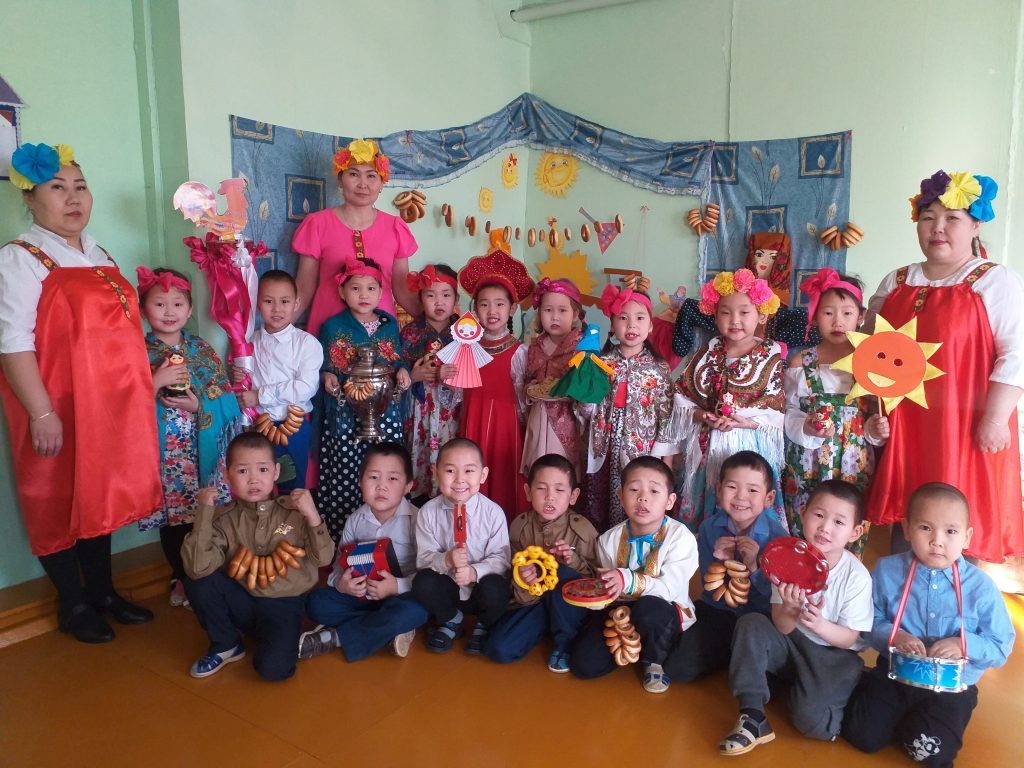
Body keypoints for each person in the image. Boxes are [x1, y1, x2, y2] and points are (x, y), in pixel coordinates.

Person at [0, 142, 161, 643]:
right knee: (53, 498)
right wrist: (41, 413)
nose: (73, 198)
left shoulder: (97, 252)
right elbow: (12, 342)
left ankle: (103, 593)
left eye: (81, 187)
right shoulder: (21, 258)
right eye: (57, 187)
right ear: (29, 199)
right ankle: (72, 603)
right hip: (54, 403)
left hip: (107, 406)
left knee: (98, 495)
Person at [867, 170, 1024, 563]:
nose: (937, 227)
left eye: (951, 218)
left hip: (964, 426)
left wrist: (995, 419)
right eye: (927, 217)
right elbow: (870, 350)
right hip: (905, 424)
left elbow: (1016, 353)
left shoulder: (994, 281)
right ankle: (903, 594)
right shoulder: (896, 281)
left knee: (955, 516)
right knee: (908, 514)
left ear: (975, 225)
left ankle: (959, 597)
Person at [842, 483, 1014, 767]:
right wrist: (895, 636)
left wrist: (963, 644)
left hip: (952, 687)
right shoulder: (887, 571)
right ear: (907, 529)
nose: (937, 541)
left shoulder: (981, 588)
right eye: (925, 528)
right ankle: (877, 693)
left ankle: (916, 719)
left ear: (967, 537)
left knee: (929, 755)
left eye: (951, 531)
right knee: (861, 736)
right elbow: (868, 619)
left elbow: (1001, 645)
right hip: (895, 673)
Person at [718, 479, 872, 756]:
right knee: (752, 624)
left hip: (834, 654)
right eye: (819, 515)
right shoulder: (788, 558)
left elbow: (849, 638)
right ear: (803, 513)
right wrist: (790, 606)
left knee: (813, 725)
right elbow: (782, 626)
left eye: (839, 522)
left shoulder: (856, 577)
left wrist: (820, 625)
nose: (825, 528)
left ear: (855, 532)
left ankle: (843, 684)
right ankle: (753, 715)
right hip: (793, 641)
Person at [181, 432, 335, 680]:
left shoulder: (295, 512)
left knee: (273, 670)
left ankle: (280, 636)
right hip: (243, 600)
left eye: (262, 469)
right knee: (199, 580)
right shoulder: (223, 518)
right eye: (242, 471)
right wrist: (204, 513)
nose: (253, 479)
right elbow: (197, 567)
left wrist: (313, 516)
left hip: (284, 603)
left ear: (276, 472)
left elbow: (324, 559)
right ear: (227, 475)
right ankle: (226, 644)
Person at [139, 266, 240, 609]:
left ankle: (210, 572)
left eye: (178, 304)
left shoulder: (201, 349)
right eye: (159, 304)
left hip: (202, 450)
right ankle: (180, 575)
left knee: (207, 511)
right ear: (143, 310)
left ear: (190, 308)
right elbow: (121, 405)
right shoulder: (135, 352)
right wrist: (156, 380)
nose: (169, 312)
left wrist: (200, 406)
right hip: (164, 455)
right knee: (173, 519)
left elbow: (225, 397)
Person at [669, 269, 786, 533]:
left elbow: (775, 406)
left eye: (744, 312)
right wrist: (702, 415)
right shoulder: (708, 350)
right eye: (725, 312)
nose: (735, 320)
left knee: (745, 498)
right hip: (707, 445)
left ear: (761, 315)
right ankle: (704, 544)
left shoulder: (770, 354)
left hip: (748, 445)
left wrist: (745, 422)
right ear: (714, 314)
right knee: (707, 497)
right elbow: (683, 394)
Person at [570, 456, 698, 694]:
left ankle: (654, 660)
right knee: (583, 664)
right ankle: (629, 647)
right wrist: (597, 596)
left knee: (650, 608)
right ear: (620, 496)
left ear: (670, 501)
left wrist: (626, 580)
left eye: (654, 491)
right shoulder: (608, 540)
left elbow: (668, 589)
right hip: (621, 611)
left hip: (663, 611)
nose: (643, 498)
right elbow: (608, 591)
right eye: (634, 489)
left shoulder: (681, 538)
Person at [783, 269, 888, 558]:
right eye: (828, 312)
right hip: (808, 462)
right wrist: (805, 426)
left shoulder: (871, 362)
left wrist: (875, 430)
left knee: (846, 520)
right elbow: (787, 411)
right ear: (815, 316)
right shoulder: (801, 361)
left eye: (847, 313)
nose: (837, 321)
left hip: (854, 464)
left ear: (861, 316)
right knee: (806, 521)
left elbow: (874, 414)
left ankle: (844, 578)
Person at [664, 450, 788, 682]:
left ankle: (736, 653)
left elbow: (776, 599)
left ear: (769, 498)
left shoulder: (778, 539)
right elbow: (710, 589)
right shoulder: (709, 528)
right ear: (719, 490)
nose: (741, 497)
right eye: (732, 487)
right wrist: (722, 561)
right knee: (677, 668)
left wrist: (754, 567)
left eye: (752, 490)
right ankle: (729, 651)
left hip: (758, 618)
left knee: (767, 678)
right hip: (719, 612)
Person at [299, 442, 429, 661]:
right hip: (362, 597)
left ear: (408, 486)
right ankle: (387, 629)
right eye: (373, 477)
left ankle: (336, 637)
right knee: (316, 602)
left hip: (401, 597)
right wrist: (342, 584)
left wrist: (396, 586)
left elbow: (429, 575)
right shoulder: (355, 520)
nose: (381, 486)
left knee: (416, 610)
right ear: (360, 481)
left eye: (392, 478)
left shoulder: (418, 521)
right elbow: (339, 567)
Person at [318, 256, 412, 539]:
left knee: (386, 467)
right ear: (342, 291)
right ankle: (344, 537)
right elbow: (325, 365)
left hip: (385, 412)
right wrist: (327, 375)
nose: (363, 295)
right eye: (355, 288)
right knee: (348, 471)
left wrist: (403, 371)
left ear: (381, 292)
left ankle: (392, 536)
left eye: (371, 288)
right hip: (346, 412)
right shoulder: (332, 326)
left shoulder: (388, 324)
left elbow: (396, 359)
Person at [292, 138, 419, 339]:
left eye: (371, 176)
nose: (363, 184)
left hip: (380, 334)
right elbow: (304, 287)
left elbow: (402, 290)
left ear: (382, 183)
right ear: (340, 180)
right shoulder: (317, 224)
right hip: (329, 330)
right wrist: (276, 330)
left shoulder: (395, 227)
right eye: (353, 174)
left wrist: (438, 325)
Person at [485, 453, 598, 672]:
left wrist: (572, 562)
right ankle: (542, 628)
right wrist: (523, 578)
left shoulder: (582, 530)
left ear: (573, 495)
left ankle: (565, 642)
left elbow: (595, 582)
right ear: (528, 492)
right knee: (498, 649)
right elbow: (512, 577)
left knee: (562, 573)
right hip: (534, 604)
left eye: (559, 490)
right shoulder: (520, 527)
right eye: (541, 488)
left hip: (569, 609)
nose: (550, 497)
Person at [582, 284, 675, 531]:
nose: (631, 325)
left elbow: (667, 418)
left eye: (640, 318)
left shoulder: (659, 368)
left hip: (642, 448)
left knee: (638, 498)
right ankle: (605, 546)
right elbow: (585, 411)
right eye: (623, 318)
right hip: (604, 445)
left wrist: (666, 462)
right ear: (613, 324)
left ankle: (633, 547)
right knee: (600, 499)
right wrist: (584, 397)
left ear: (651, 325)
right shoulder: (600, 362)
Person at [456, 232, 535, 521]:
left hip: (509, 432)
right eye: (484, 304)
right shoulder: (464, 349)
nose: (492, 311)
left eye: (500, 304)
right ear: (474, 308)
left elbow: (526, 401)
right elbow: (455, 396)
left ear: (512, 308)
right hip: (472, 425)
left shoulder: (522, 353)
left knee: (506, 483)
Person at [412, 437, 511, 654]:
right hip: (449, 591)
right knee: (422, 582)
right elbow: (423, 559)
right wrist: (446, 559)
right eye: (450, 471)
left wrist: (474, 572)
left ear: (483, 475)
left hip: (480, 590)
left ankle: (484, 624)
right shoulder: (428, 512)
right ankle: (450, 619)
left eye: (468, 471)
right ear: (435, 473)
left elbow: (501, 559)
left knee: (497, 587)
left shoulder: (493, 513)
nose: (459, 480)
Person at [232, 269, 320, 491]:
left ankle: (290, 515)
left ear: (296, 303)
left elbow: (306, 387)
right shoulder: (248, 343)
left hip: (293, 428)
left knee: (291, 488)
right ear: (257, 303)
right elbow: (244, 383)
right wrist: (238, 378)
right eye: (268, 301)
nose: (277, 309)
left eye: (284, 301)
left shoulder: (306, 344)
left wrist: (260, 396)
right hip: (258, 427)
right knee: (257, 486)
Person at [400, 264, 462, 502]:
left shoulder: (464, 333)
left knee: (451, 455)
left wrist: (453, 377)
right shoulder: (410, 333)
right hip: (420, 408)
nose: (439, 302)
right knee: (420, 453)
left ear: (456, 299)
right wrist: (413, 376)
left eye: (446, 295)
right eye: (430, 295)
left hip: (452, 411)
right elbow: (398, 373)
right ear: (420, 298)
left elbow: (474, 375)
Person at [521, 278, 586, 478]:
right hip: (538, 417)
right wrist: (531, 389)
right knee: (537, 471)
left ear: (575, 314)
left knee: (562, 473)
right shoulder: (534, 347)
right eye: (548, 310)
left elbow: (587, 389)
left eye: (562, 310)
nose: (555, 317)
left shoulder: (582, 348)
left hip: (567, 420)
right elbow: (527, 380)